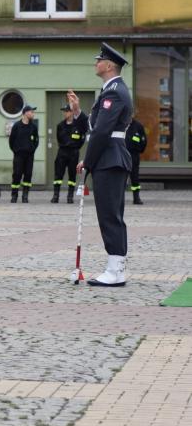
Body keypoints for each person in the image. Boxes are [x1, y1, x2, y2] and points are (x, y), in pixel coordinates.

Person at [73, 43, 133, 287]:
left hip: (110, 159)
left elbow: (102, 132)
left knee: (109, 216)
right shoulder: (113, 90)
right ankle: (115, 267)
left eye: (99, 60)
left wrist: (88, 161)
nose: (95, 63)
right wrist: (79, 113)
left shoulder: (114, 91)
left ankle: (115, 269)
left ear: (109, 65)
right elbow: (97, 127)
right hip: (110, 158)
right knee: (111, 215)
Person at [51, 102, 88, 204]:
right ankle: (56, 196)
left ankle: (70, 196)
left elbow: (82, 139)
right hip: (62, 152)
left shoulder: (78, 126)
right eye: (64, 112)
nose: (65, 113)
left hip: (73, 152)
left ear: (72, 112)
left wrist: (75, 147)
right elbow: (59, 139)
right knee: (58, 175)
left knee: (72, 175)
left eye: (67, 111)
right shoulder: (60, 126)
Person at [8, 105, 39, 203]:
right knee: (17, 174)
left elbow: (36, 140)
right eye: (31, 112)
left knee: (28, 175)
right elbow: (11, 140)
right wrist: (16, 150)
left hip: (29, 155)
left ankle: (25, 196)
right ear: (25, 113)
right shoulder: (17, 126)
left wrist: (32, 149)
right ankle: (14, 195)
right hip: (19, 155)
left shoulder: (33, 127)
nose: (33, 114)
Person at [125, 116, 147, 205]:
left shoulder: (138, 126)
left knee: (135, 176)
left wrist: (139, 150)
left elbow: (143, 140)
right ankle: (118, 198)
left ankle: (136, 198)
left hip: (134, 155)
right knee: (120, 176)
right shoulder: (120, 124)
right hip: (122, 154)